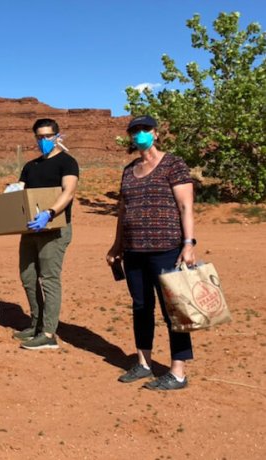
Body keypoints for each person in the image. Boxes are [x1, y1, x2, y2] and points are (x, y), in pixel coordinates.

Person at [107, 115, 196, 391]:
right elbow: (123, 212)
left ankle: (177, 372)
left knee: (174, 310)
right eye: (134, 131)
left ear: (156, 133)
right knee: (141, 307)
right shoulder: (129, 170)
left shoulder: (173, 164)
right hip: (134, 251)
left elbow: (185, 206)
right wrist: (117, 244)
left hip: (166, 249)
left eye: (145, 129)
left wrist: (189, 243)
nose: (140, 134)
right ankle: (144, 363)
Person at [13, 118, 79, 350]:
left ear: (58, 136)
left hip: (55, 229)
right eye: (39, 137)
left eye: (47, 136)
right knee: (28, 277)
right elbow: (17, 194)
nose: (43, 141)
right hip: (31, 229)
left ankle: (49, 333)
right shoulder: (30, 167)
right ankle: (36, 323)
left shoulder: (67, 163)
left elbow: (68, 192)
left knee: (48, 279)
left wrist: (49, 214)